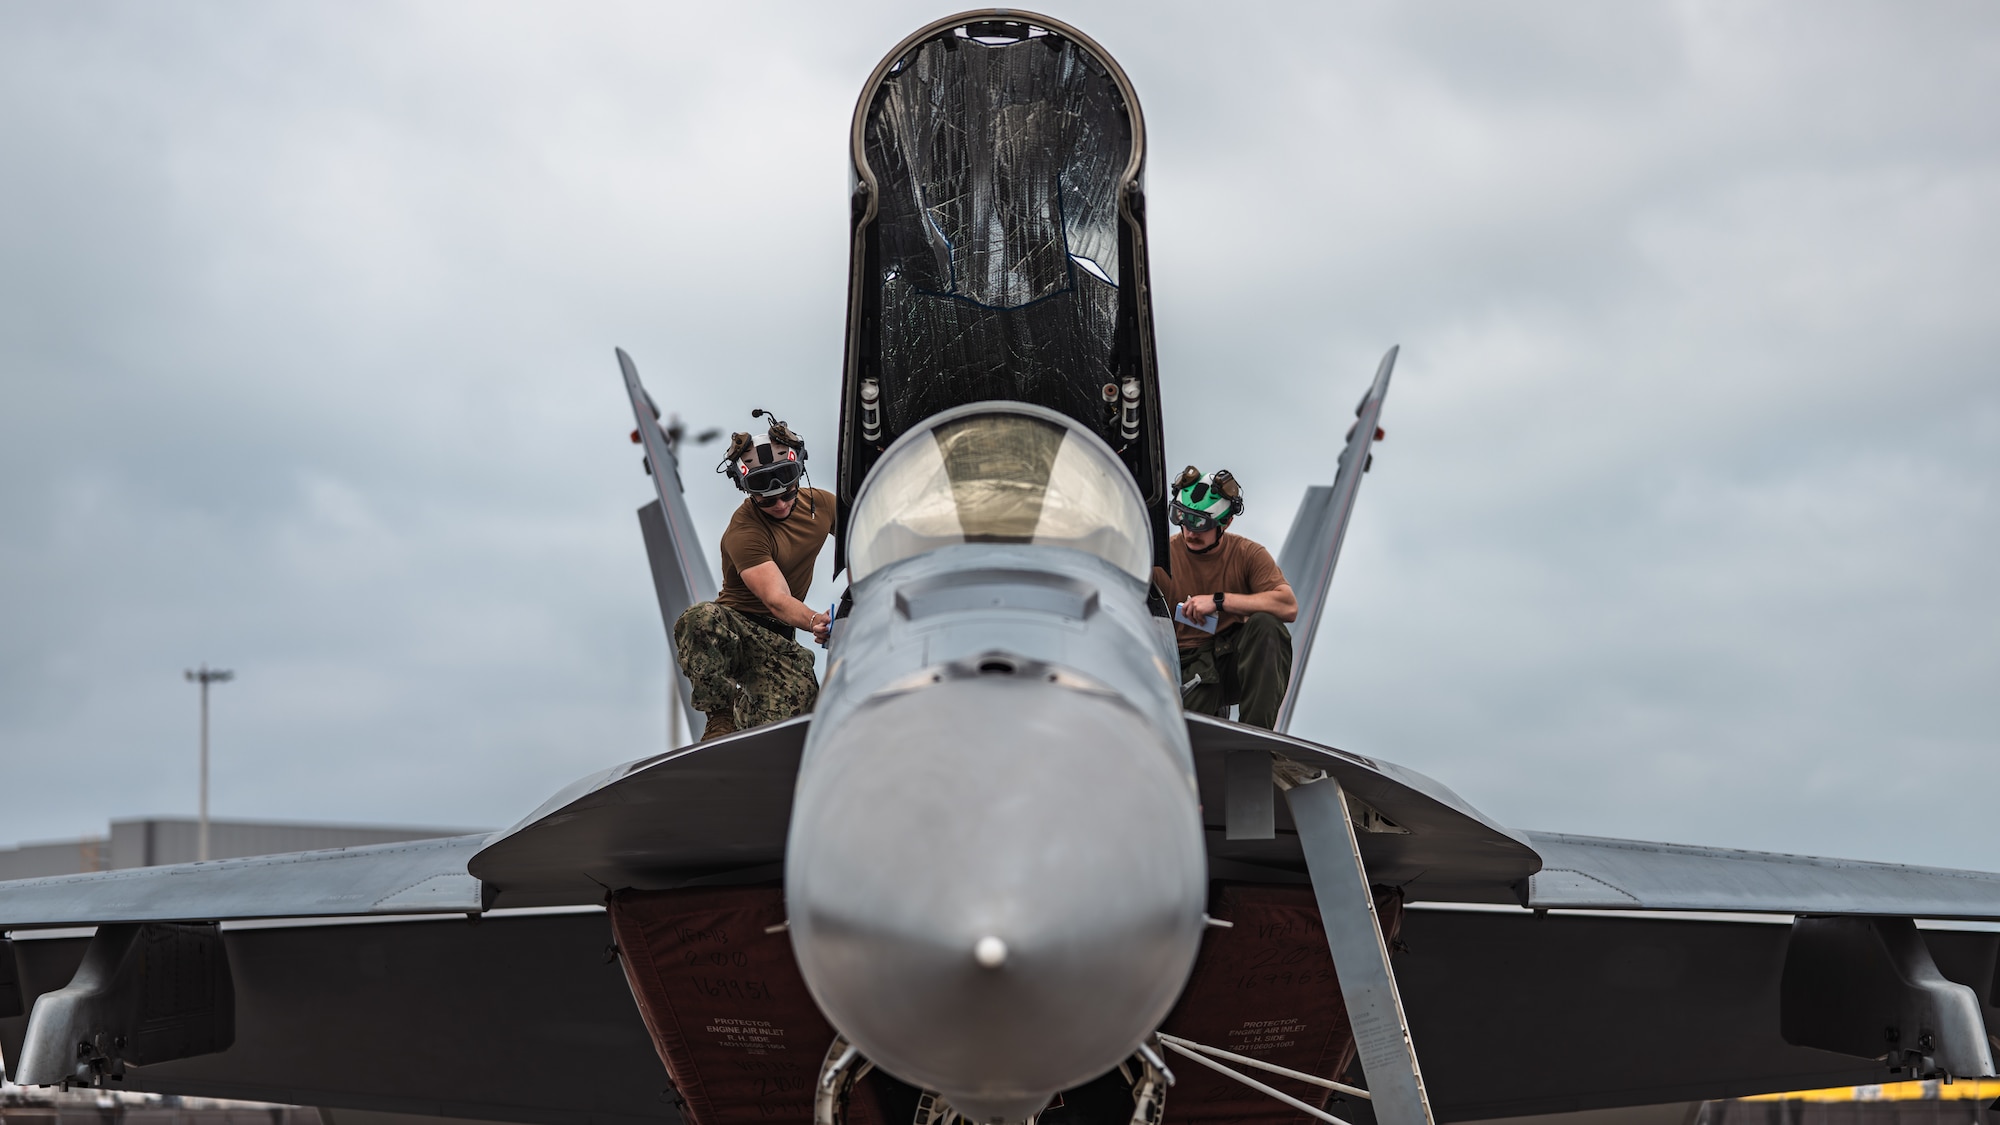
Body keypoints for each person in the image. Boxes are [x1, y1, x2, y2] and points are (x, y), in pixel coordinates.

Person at [673, 412, 836, 742]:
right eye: (763, 489)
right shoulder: (744, 531)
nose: (778, 501)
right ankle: (720, 714)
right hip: (737, 631)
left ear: (799, 471)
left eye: (786, 483)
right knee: (700, 618)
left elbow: (868, 537)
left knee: (789, 727)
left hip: (781, 642)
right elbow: (776, 600)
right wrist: (818, 620)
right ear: (745, 488)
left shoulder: (822, 505)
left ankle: (744, 716)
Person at [1152, 467, 1298, 729]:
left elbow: (1288, 606)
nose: (1190, 532)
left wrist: (1219, 601)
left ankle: (1256, 741)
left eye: (1200, 523)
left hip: (1229, 660)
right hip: (1184, 664)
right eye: (1183, 519)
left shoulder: (1248, 554)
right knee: (1183, 733)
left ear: (1226, 523)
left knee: (1267, 627)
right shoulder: (1161, 558)